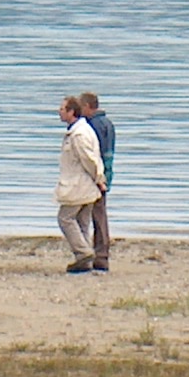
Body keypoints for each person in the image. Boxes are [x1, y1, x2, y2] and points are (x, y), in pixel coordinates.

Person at [54, 93, 106, 272]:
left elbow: (90, 160)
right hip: (85, 186)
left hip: (79, 185)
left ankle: (83, 253)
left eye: (62, 109)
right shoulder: (81, 130)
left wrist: (99, 179)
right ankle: (85, 260)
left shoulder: (79, 135)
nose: (59, 112)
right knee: (83, 222)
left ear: (71, 112)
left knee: (65, 218)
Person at [78, 91, 114, 271]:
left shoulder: (92, 126)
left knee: (96, 214)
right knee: (100, 213)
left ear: (87, 107)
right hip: (106, 173)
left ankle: (99, 255)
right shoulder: (108, 124)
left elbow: (92, 155)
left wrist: (97, 177)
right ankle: (99, 253)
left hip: (97, 176)